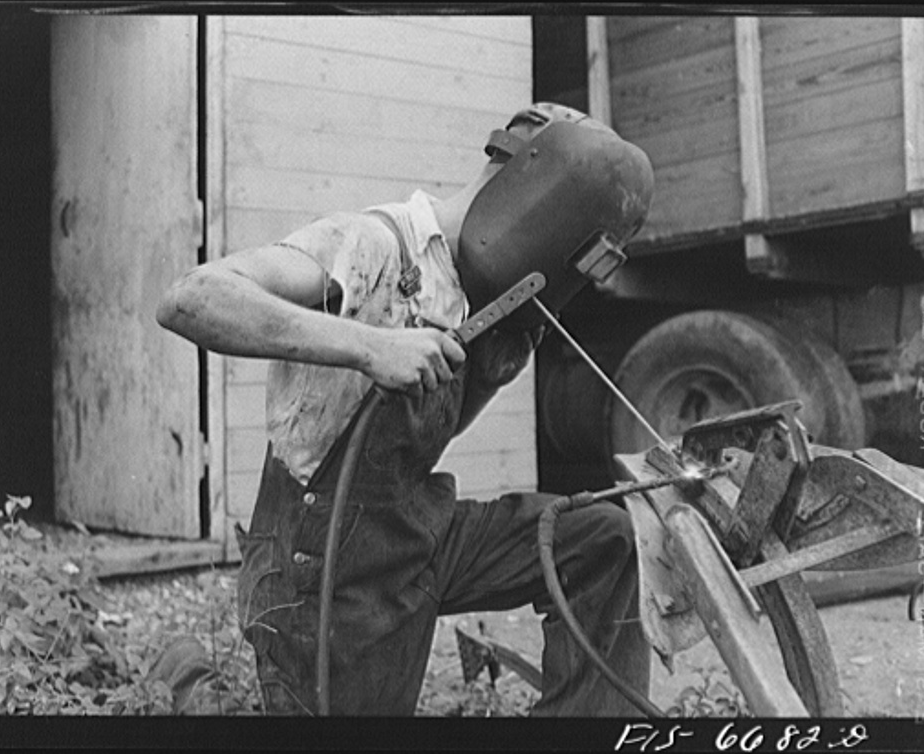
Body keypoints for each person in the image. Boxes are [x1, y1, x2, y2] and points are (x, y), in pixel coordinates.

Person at [156, 103, 651, 716]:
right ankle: (187, 679)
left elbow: (416, 447)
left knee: (599, 539)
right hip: (320, 565)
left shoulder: (493, 300)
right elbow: (190, 298)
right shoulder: (373, 245)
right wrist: (371, 346)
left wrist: (492, 368)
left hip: (415, 531)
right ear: (528, 183)